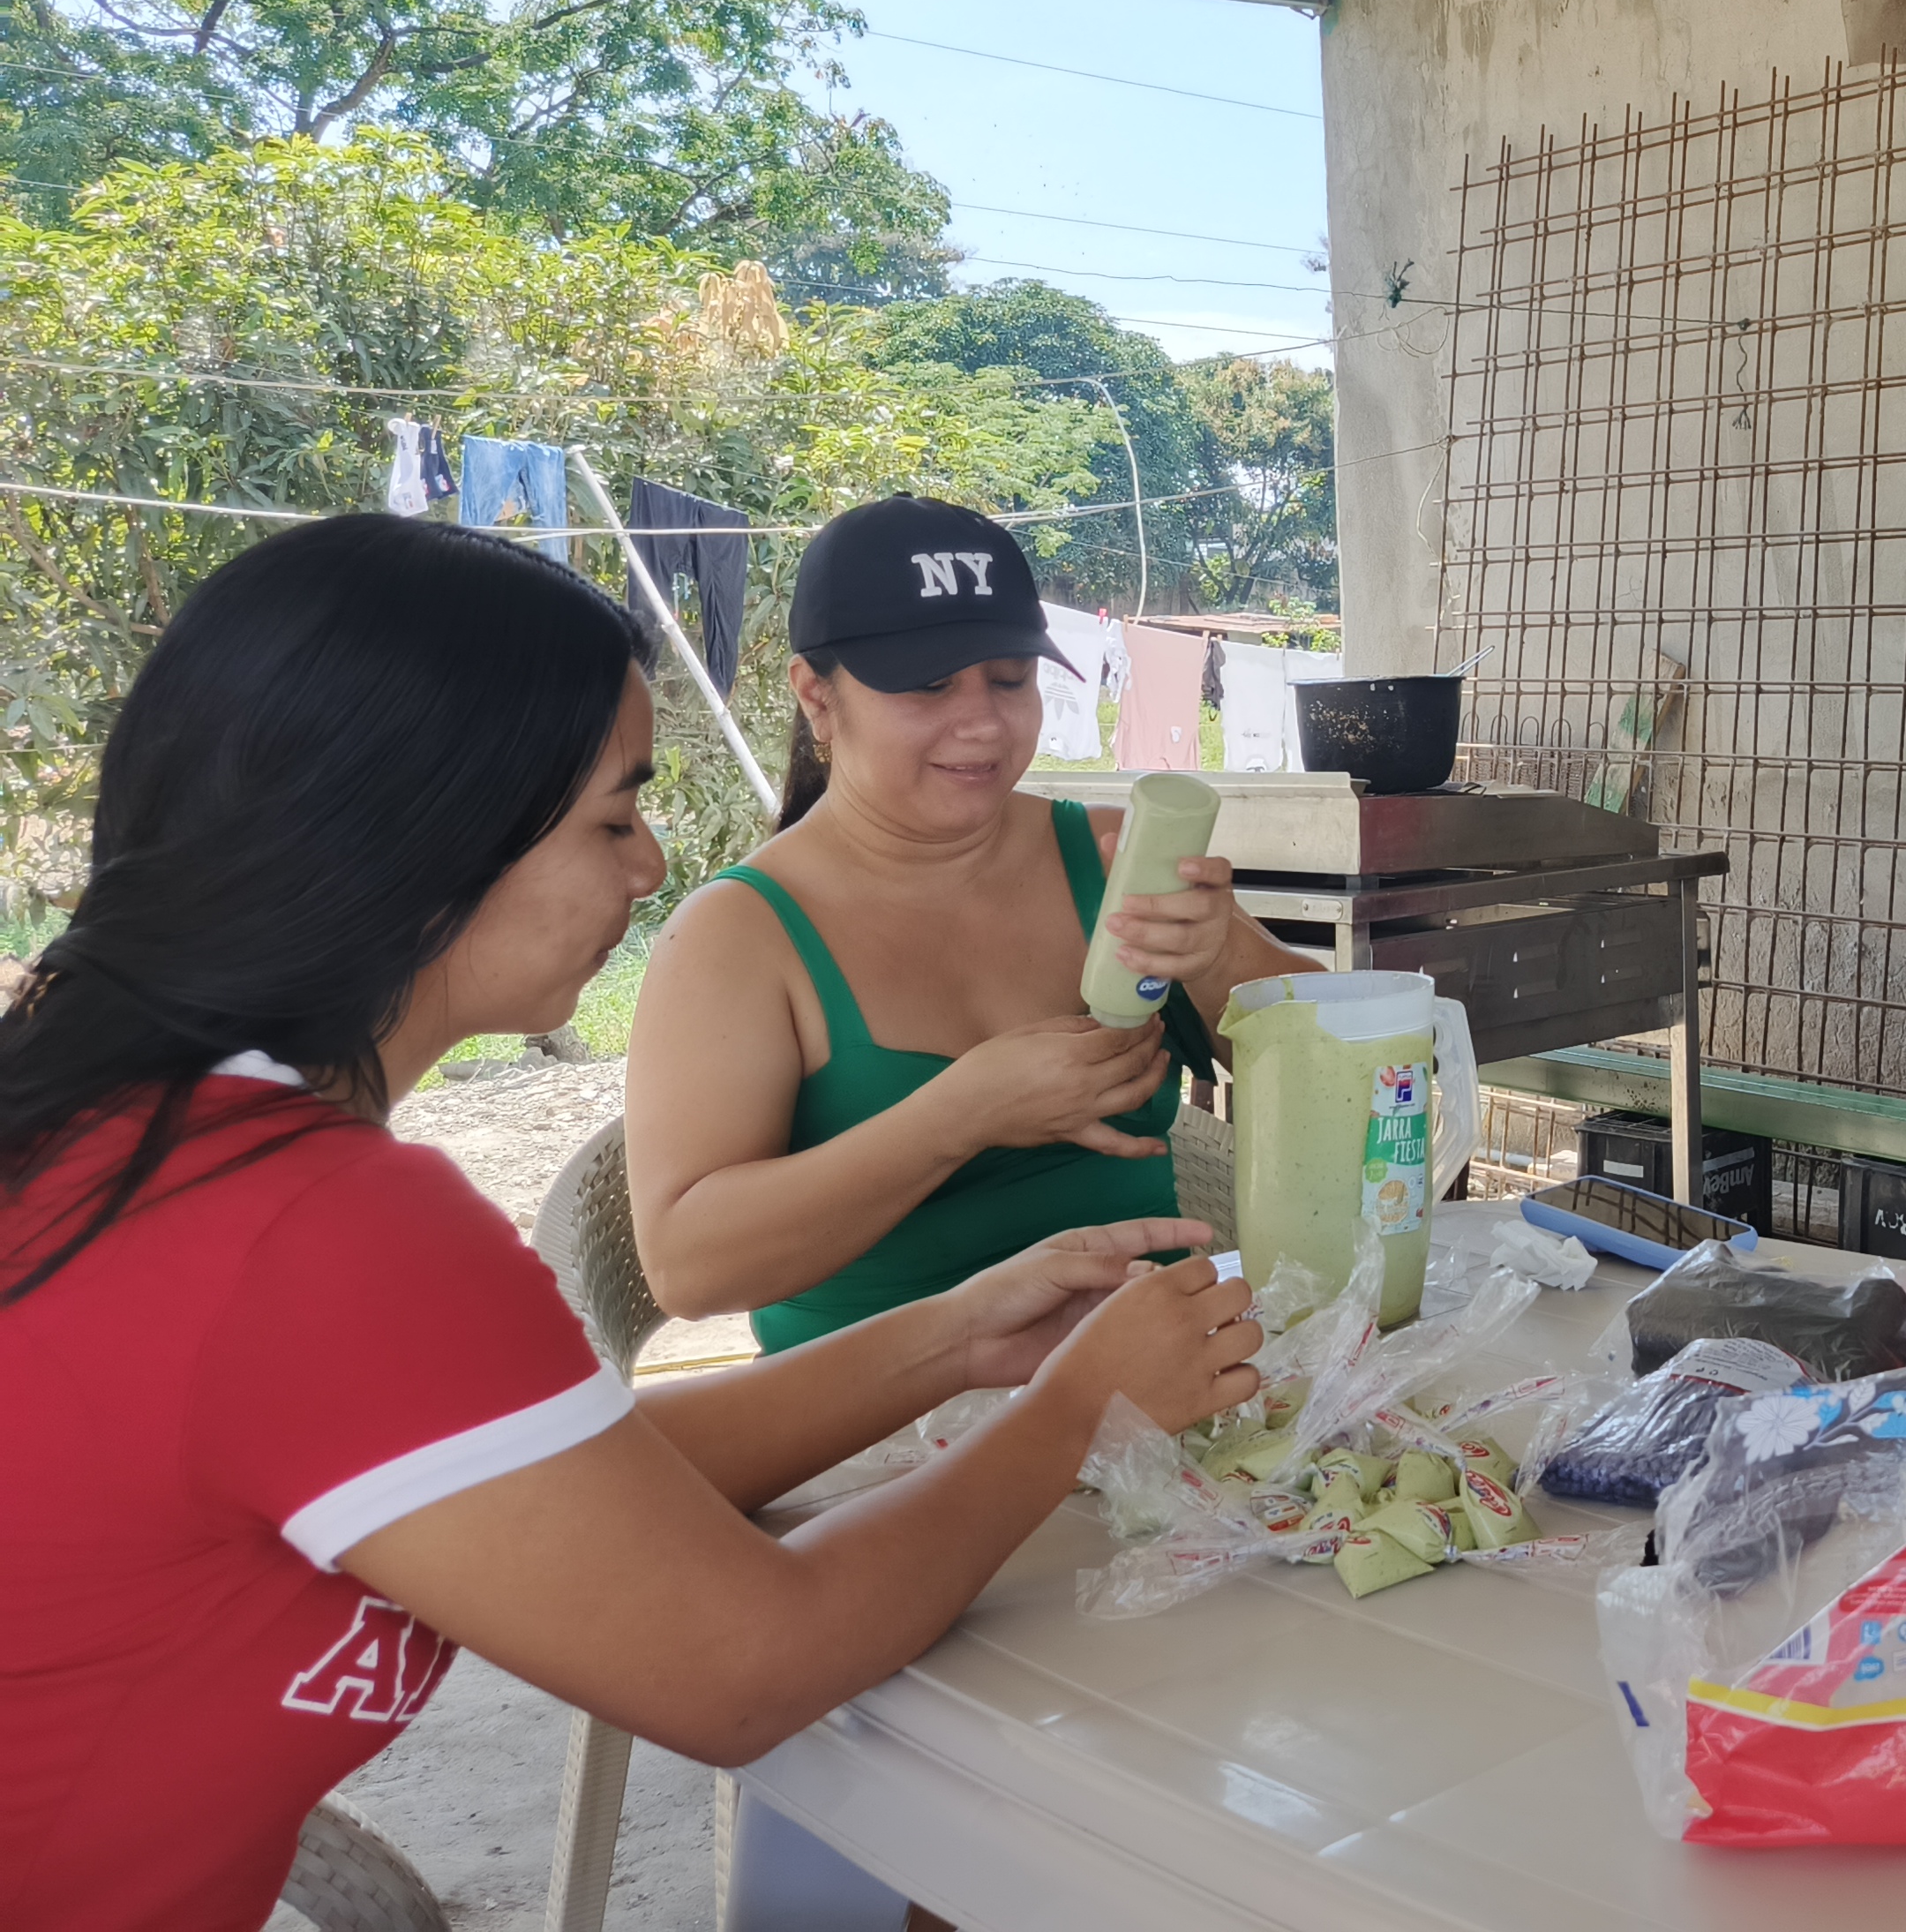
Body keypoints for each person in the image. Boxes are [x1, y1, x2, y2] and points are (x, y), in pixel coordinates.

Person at [0, 517, 1262, 1931]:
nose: (651, 865)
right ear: (414, 837)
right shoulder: (311, 1229)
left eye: (1007, 681)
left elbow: (576, 1485)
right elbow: (745, 1669)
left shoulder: (121, 1126)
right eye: (613, 818)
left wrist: (961, 1338)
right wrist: (1076, 1411)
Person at [628, 495, 1311, 1347]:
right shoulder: (739, 935)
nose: (984, 722)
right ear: (817, 697)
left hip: (1161, 1380)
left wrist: (1220, 956)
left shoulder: (1112, 857)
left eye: (1010, 679)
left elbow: (1359, 1092)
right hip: (888, 1416)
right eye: (929, 685)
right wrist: (961, 1116)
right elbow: (689, 1270)